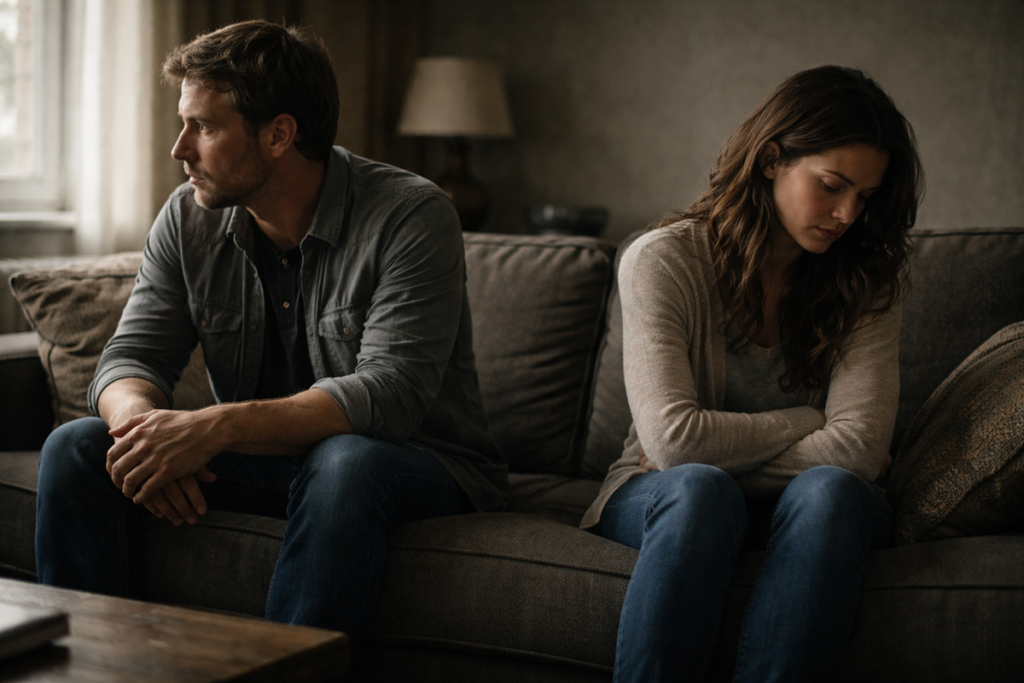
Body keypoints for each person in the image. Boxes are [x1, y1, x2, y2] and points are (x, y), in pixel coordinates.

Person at [34, 19, 507, 654]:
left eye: (202, 126)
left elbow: (388, 396)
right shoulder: (187, 216)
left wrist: (211, 427)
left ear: (279, 134)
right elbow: (131, 357)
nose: (179, 148)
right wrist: (145, 435)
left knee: (344, 461)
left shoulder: (411, 214)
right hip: (273, 461)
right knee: (78, 448)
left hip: (418, 462)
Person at [579, 65, 923, 682]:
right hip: (665, 494)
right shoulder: (662, 261)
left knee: (832, 491)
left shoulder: (867, 282)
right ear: (770, 160)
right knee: (700, 489)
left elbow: (859, 452)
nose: (847, 214)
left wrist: (715, 446)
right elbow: (672, 444)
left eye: (864, 197)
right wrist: (809, 420)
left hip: (809, 504)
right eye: (831, 185)